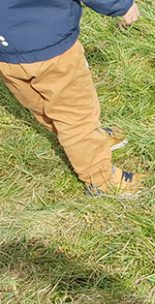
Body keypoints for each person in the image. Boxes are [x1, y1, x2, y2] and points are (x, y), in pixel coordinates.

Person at [0, 0, 143, 195]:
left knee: (40, 105)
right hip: (52, 47)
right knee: (77, 118)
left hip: (7, 54)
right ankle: (101, 181)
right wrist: (120, 5)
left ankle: (86, 142)